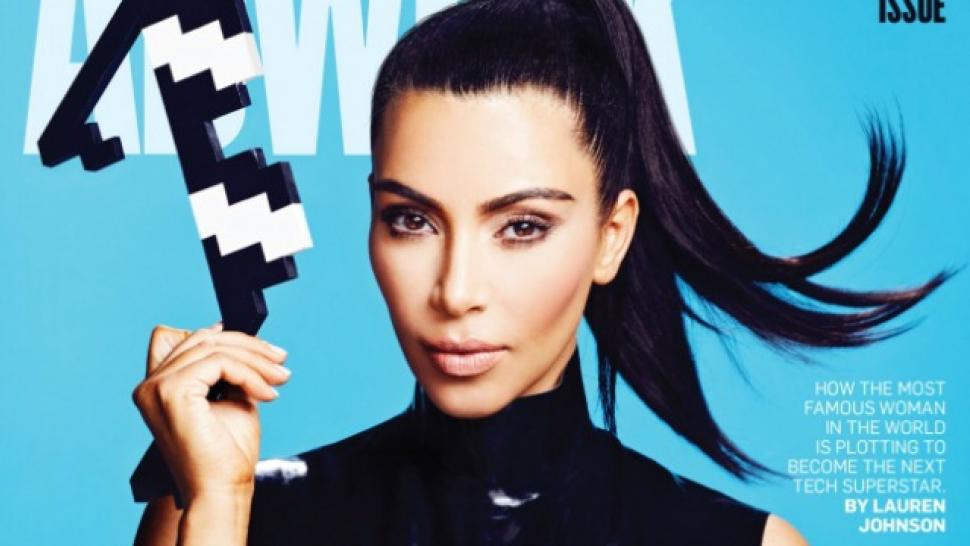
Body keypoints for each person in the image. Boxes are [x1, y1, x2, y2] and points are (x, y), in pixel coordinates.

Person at [131, 0, 951, 544]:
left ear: (610, 236)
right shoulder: (223, 510)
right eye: (412, 219)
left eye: (521, 227)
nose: (455, 291)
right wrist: (217, 506)